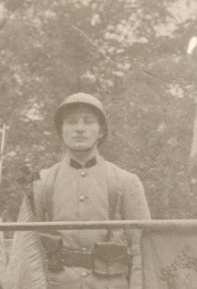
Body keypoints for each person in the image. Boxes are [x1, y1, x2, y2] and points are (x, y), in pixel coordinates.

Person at [33, 92, 151, 289]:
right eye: (71, 122)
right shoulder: (42, 182)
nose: (80, 128)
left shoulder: (126, 181)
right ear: (61, 130)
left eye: (88, 122)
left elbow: (142, 248)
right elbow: (28, 248)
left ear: (101, 130)